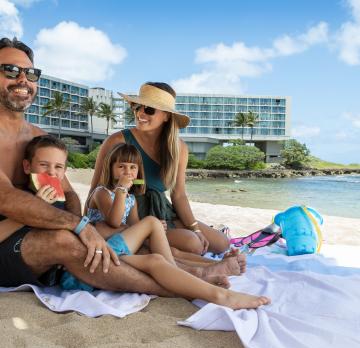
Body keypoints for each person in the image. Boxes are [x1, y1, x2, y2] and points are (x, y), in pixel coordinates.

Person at [0, 38, 270, 309]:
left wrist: (77, 224)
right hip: (14, 240)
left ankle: (195, 274)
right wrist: (79, 226)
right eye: (10, 70)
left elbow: (69, 193)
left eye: (30, 73)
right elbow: (7, 199)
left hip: (58, 227)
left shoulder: (40, 137)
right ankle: (188, 286)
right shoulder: (117, 141)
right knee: (69, 240)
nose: (23, 79)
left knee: (140, 245)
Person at [12, 135, 270, 309]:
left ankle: (206, 270)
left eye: (58, 168)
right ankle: (212, 289)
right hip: (80, 266)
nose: (52, 173)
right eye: (44, 165)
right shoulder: (101, 192)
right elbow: (113, 221)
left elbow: (127, 225)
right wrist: (38, 206)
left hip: (106, 250)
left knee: (160, 249)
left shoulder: (120, 199)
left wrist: (150, 228)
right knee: (156, 252)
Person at [91, 82, 230, 256]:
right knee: (193, 246)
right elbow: (96, 188)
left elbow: (178, 195)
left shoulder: (179, 148)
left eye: (149, 109)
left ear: (166, 116)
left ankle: (182, 240)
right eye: (137, 107)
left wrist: (196, 228)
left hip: (162, 210)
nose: (140, 113)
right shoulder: (117, 141)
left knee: (222, 243)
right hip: (129, 213)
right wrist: (86, 230)